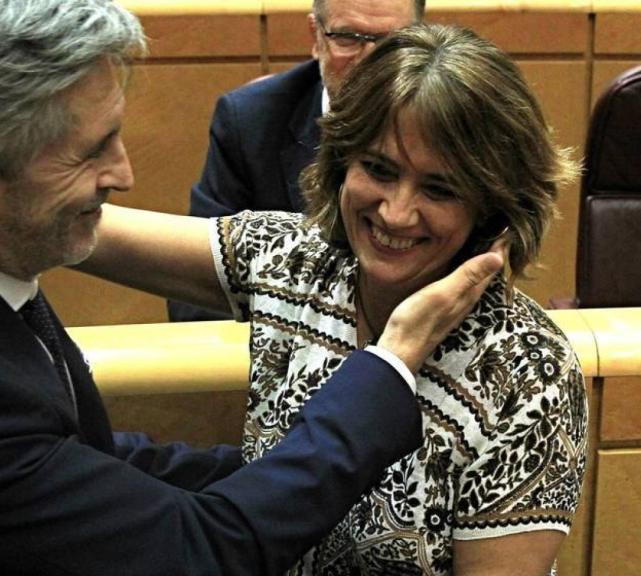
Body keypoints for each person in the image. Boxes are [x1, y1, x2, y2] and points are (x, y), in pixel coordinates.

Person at [0, 2, 504, 575]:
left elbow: (89, 462)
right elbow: (201, 553)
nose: (123, 174)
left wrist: (282, 469)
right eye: (91, 152)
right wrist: (392, 358)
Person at [76, 23, 587, 575]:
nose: (395, 212)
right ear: (343, 160)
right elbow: (73, 226)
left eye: (439, 190)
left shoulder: (530, 368)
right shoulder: (295, 259)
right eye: (379, 170)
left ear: (492, 207)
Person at [169, 0, 425, 321]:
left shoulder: (456, 120)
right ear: (315, 36)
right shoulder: (251, 122)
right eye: (348, 38)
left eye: (390, 43)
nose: (370, 64)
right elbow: (198, 290)